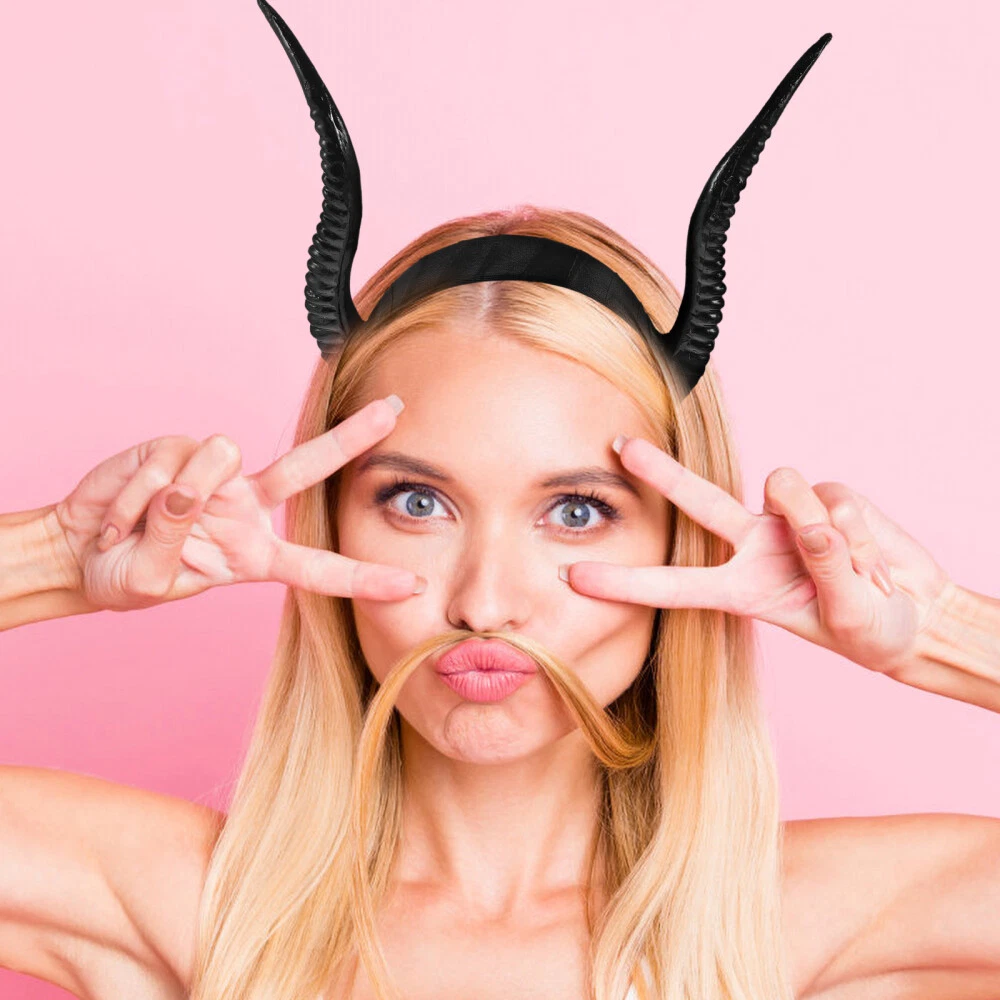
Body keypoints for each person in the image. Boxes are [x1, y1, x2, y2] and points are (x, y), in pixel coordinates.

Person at [2, 7, 999, 1000]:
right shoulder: (200, 908)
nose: (484, 603)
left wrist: (939, 633)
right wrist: (57, 555)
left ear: (682, 544)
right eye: (416, 502)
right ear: (330, 522)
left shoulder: (798, 924)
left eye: (577, 512)